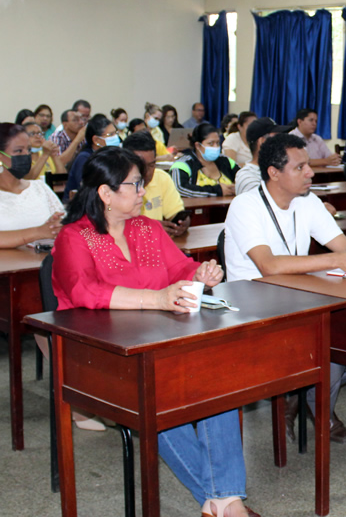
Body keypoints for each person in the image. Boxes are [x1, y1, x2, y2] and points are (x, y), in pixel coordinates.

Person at [52, 147, 254, 517]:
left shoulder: (148, 228)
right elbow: (84, 292)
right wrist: (155, 299)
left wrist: (199, 273)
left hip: (158, 338)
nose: (144, 192)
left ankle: (222, 502)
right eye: (135, 184)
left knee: (217, 381)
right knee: (158, 396)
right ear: (106, 194)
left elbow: (179, 267)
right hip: (103, 353)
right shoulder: (74, 237)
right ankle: (225, 501)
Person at [224, 134, 346, 443]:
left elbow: (343, 245)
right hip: (252, 304)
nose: (310, 173)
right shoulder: (245, 206)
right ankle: (303, 399)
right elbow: (268, 266)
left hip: (297, 296)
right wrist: (339, 259)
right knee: (325, 338)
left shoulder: (308, 202)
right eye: (300, 168)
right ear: (274, 173)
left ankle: (306, 400)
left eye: (309, 165)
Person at [0, 123, 64, 249]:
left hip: (43, 263)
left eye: (29, 150)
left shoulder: (40, 188)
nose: (26, 156)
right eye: (19, 151)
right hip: (1, 266)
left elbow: (65, 224)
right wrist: (38, 232)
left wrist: (59, 225)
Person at [123, 131, 189, 237]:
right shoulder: (116, 186)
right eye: (141, 166)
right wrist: (151, 228)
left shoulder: (162, 178)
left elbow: (175, 213)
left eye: (151, 165)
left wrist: (183, 223)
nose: (147, 172)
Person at [171, 124, 239, 198]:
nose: (215, 147)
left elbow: (243, 177)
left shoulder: (225, 160)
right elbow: (179, 189)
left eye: (217, 143)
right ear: (198, 145)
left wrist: (238, 187)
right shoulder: (183, 164)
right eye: (211, 143)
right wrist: (217, 191)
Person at [65, 114, 121, 198]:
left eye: (115, 133)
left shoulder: (113, 155)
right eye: (111, 135)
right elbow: (87, 189)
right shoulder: (84, 158)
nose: (116, 137)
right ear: (96, 140)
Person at [234, 119, 279, 195]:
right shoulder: (247, 176)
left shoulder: (279, 170)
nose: (282, 143)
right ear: (262, 142)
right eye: (277, 138)